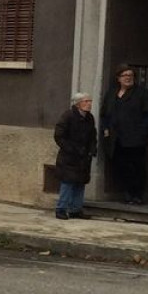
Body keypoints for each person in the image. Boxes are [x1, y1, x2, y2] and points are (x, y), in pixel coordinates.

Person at [100, 64, 148, 204]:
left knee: (136, 166)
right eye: (125, 75)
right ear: (118, 78)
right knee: (120, 166)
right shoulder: (112, 93)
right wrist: (106, 129)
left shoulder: (141, 93)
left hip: (135, 138)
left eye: (130, 75)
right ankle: (127, 193)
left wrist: (143, 132)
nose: (128, 78)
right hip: (115, 138)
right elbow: (104, 114)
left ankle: (137, 195)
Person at [52, 92, 98, 220]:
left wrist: (92, 149)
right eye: (86, 101)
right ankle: (61, 209)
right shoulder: (68, 116)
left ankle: (75, 209)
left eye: (90, 101)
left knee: (80, 182)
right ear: (78, 104)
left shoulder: (89, 118)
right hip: (70, 156)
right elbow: (59, 135)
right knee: (68, 182)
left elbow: (92, 136)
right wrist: (70, 149)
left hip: (84, 156)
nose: (89, 104)